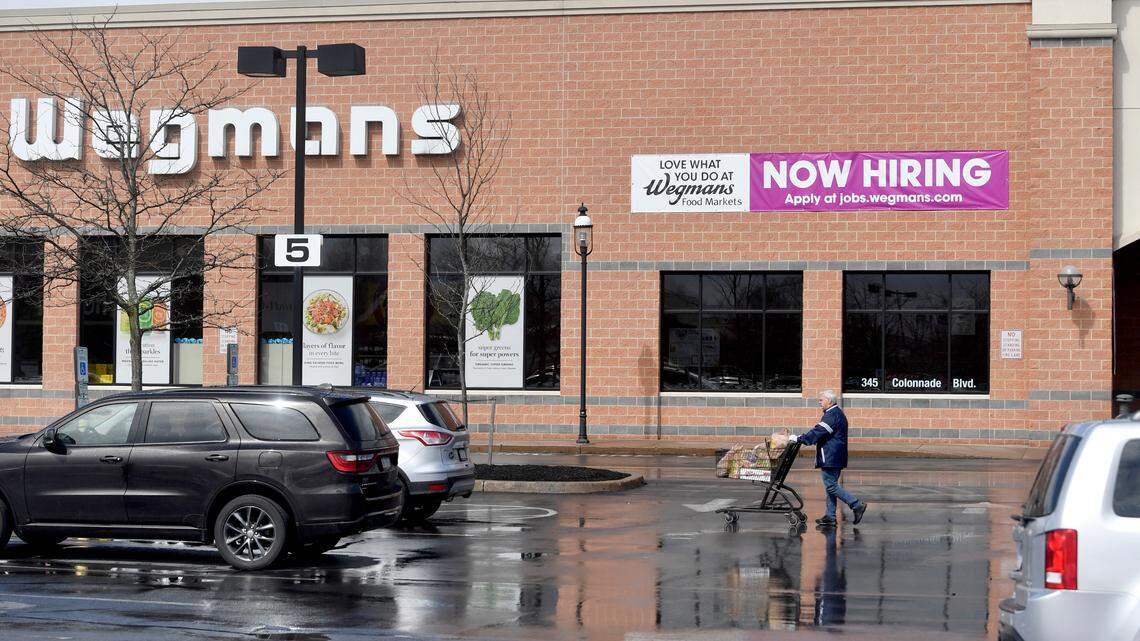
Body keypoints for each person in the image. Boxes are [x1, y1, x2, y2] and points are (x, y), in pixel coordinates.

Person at [789, 390, 867, 527]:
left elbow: (818, 431)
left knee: (831, 486)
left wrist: (799, 439)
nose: (819, 402)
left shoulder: (832, 415)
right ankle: (830, 516)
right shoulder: (835, 413)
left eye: (821, 400)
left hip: (831, 456)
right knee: (831, 486)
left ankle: (856, 504)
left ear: (829, 401)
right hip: (835, 455)